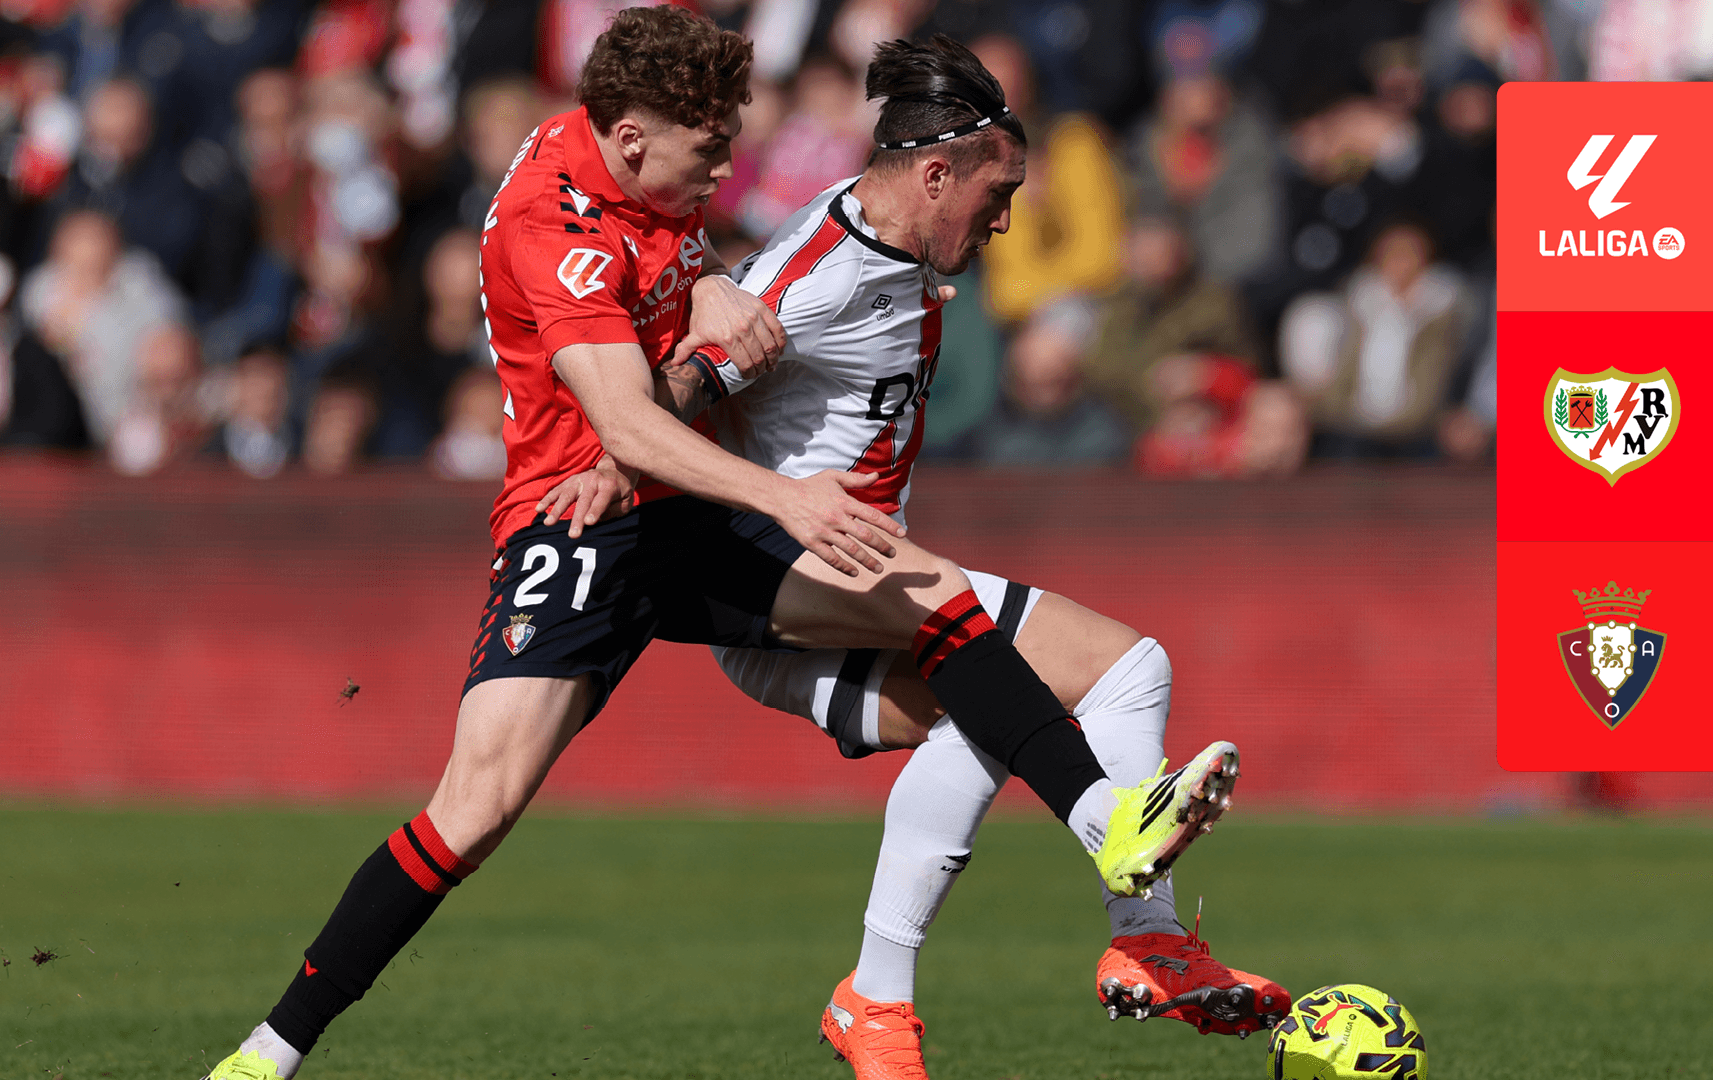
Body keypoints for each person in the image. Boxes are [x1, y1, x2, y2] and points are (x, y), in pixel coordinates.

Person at [201, 11, 1194, 1080]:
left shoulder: (608, 142)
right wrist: (787, 499)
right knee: (472, 814)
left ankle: (1102, 830)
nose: (725, 170)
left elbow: (667, 234)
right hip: (581, 519)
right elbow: (628, 430)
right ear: (634, 139)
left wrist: (710, 269)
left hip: (691, 512)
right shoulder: (553, 230)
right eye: (710, 150)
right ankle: (268, 1053)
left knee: (928, 590)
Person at [535, 36, 1291, 1080]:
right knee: (1125, 669)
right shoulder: (820, 274)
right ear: (934, 175)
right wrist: (609, 463)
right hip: (792, 583)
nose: (1005, 221)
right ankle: (1137, 923)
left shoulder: (897, 245)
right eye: (996, 194)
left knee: (992, 718)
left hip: (846, 593)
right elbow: (682, 385)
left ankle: (887, 1001)